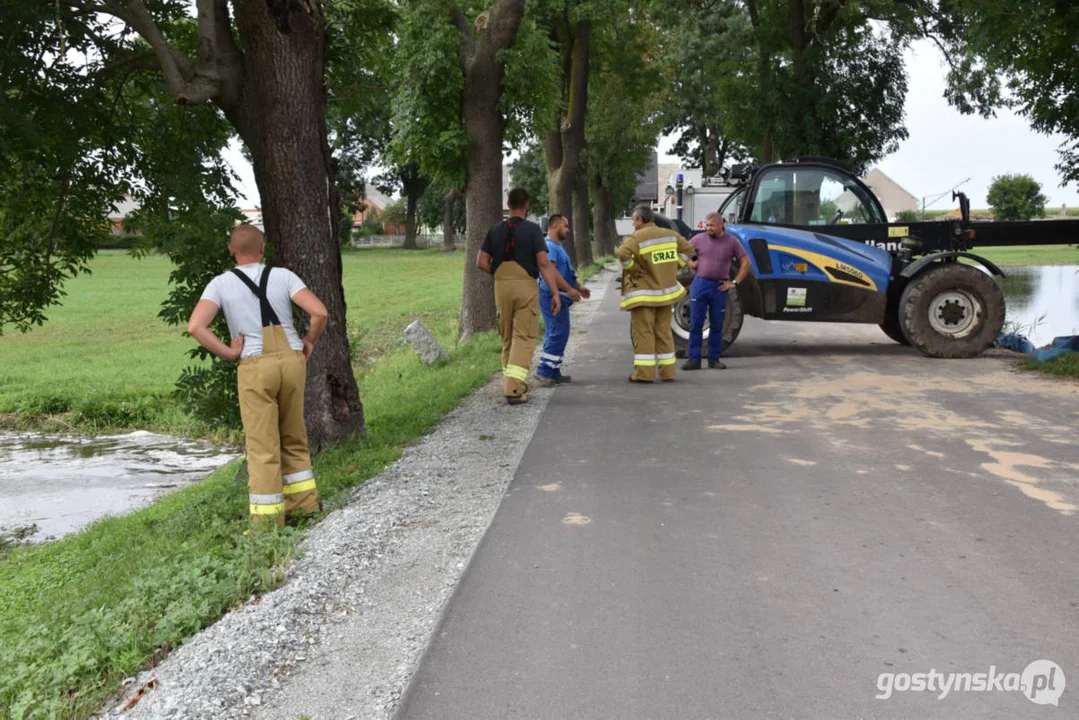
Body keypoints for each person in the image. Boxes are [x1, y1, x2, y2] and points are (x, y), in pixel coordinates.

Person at [187, 225, 327, 526]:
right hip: (291, 360)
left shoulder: (220, 284)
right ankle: (304, 507)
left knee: (263, 446)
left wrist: (228, 352)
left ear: (231, 251)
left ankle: (267, 524)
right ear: (262, 249)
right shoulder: (284, 276)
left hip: (254, 363)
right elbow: (320, 313)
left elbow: (196, 326)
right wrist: (310, 341)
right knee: (293, 435)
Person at [477, 187, 566, 405]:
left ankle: (511, 382)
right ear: (526, 206)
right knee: (524, 336)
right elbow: (544, 263)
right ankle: (514, 390)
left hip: (501, 286)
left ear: (508, 204)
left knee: (507, 336)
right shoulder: (533, 230)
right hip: (525, 284)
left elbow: (480, 262)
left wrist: (500, 273)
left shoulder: (494, 230)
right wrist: (555, 293)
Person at [616, 204, 697, 383]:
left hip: (644, 295)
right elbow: (690, 251)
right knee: (664, 334)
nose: (632, 224)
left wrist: (634, 269)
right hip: (665, 295)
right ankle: (668, 373)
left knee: (644, 333)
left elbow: (622, 253)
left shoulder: (637, 237)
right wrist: (676, 265)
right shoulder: (670, 235)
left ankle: (644, 374)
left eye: (633, 220)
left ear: (640, 220)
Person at [683, 212, 751, 370]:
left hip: (719, 287)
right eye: (706, 225)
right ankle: (694, 359)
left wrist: (734, 282)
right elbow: (684, 251)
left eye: (712, 225)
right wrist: (689, 263)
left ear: (722, 225)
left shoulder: (732, 242)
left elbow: (745, 261)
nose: (708, 228)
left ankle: (714, 359)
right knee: (695, 323)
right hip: (700, 284)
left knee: (717, 324)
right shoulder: (699, 239)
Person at [536, 214, 590, 383]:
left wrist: (578, 288)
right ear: (555, 226)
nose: (567, 230)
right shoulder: (549, 247)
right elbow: (551, 272)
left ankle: (553, 370)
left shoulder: (557, 247)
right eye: (565, 226)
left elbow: (566, 272)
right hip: (551, 296)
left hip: (558, 295)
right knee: (556, 332)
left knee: (560, 332)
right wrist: (568, 290)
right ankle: (544, 372)